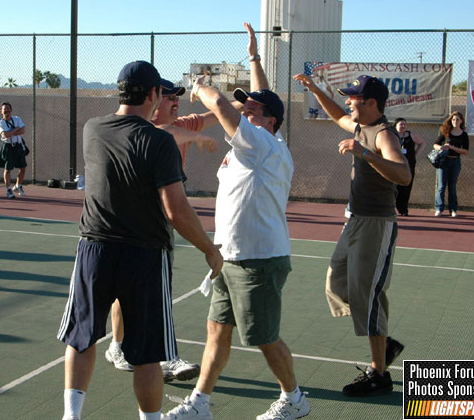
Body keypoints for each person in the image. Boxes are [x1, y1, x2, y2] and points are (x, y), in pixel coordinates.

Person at [56, 60, 223, 420]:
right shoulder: (159, 141)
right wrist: (210, 250)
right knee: (148, 354)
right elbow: (176, 210)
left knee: (81, 338)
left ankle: (72, 416)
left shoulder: (92, 129)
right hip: (145, 255)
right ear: (152, 95)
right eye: (162, 93)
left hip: (93, 249)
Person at [164, 24, 310, 420]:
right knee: (217, 330)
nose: (246, 110)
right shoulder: (255, 144)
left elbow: (227, 109)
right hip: (229, 257)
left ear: (271, 122)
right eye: (245, 106)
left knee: (263, 337)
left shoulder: (262, 144)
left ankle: (294, 398)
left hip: (258, 259)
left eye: (253, 110)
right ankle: (200, 403)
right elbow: (260, 101)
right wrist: (254, 58)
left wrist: (201, 88)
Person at [293, 73, 410, 397]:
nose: (348, 101)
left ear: (371, 103)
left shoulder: (384, 134)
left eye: (354, 97)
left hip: (376, 224)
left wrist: (365, 154)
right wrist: (316, 89)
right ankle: (383, 343)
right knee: (337, 283)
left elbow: (403, 173)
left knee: (368, 295)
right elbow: (338, 116)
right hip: (355, 221)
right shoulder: (361, 126)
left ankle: (378, 373)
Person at [105, 78, 219, 383]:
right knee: (150, 294)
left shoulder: (183, 124)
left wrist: (238, 102)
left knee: (131, 292)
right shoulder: (146, 129)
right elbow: (164, 133)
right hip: (140, 226)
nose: (175, 100)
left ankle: (119, 346)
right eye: (169, 96)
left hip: (150, 227)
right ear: (154, 100)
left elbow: (217, 114)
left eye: (177, 96)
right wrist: (194, 140)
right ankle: (164, 357)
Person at [433, 111, 469, 217]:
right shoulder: (445, 132)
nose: (455, 121)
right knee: (441, 186)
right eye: (453, 119)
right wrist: (441, 147)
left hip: (455, 161)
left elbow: (466, 151)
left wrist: (452, 148)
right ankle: (439, 208)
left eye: (457, 119)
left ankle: (453, 209)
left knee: (452, 186)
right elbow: (435, 144)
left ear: (461, 121)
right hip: (444, 161)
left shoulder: (463, 135)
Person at [393, 118, 426, 216]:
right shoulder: (392, 135)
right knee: (395, 186)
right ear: (395, 125)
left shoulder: (411, 135)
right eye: (401, 124)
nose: (403, 126)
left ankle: (403, 209)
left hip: (408, 164)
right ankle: (392, 208)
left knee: (406, 186)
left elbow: (422, 143)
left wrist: (415, 154)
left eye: (405, 124)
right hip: (395, 164)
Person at [0, 101, 27, 199]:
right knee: (8, 169)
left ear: (11, 110)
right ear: (1, 111)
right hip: (8, 146)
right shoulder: (1, 123)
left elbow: (23, 130)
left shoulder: (17, 119)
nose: (7, 111)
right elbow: (5, 135)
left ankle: (18, 185)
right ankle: (8, 189)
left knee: (23, 168)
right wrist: (15, 130)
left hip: (18, 146)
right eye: (4, 109)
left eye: (8, 109)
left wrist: (11, 132)